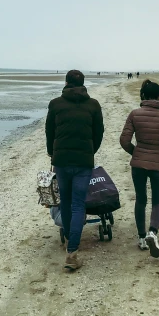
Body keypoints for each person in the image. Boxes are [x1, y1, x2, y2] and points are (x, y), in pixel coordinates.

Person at [45, 69, 104, 270]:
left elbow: (49, 131)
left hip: (61, 160)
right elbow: (99, 133)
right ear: (83, 83)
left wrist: (52, 152)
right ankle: (72, 252)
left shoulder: (56, 104)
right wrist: (90, 150)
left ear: (66, 82)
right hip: (83, 161)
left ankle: (71, 243)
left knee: (67, 202)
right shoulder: (93, 105)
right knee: (78, 204)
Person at [119, 79, 159, 258]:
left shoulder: (134, 114)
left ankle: (140, 237)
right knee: (158, 201)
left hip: (138, 164)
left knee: (141, 199)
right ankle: (152, 232)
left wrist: (136, 153)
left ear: (143, 96)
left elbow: (124, 140)